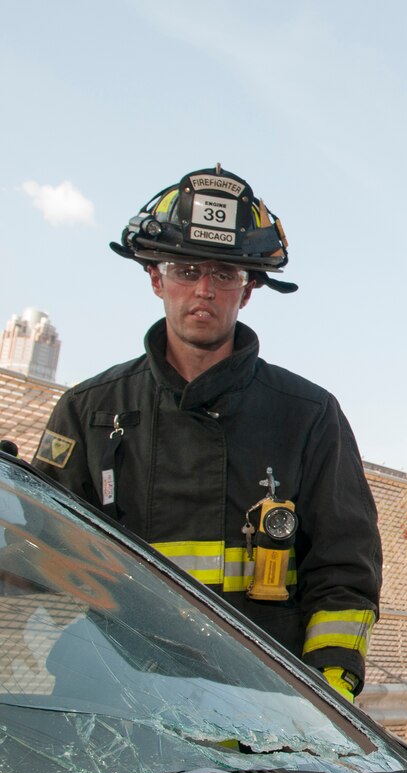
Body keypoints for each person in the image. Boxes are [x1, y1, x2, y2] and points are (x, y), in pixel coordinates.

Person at [33, 166, 382, 703]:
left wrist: (326, 699)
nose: (204, 289)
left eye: (224, 274)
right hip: (113, 705)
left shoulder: (309, 416)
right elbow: (42, 561)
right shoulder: (89, 410)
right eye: (186, 270)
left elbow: (344, 572)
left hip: (265, 714)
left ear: (249, 290)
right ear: (156, 279)